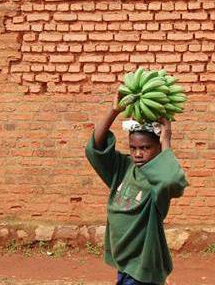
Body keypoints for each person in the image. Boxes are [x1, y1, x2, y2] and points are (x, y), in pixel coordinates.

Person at [85, 92, 189, 285]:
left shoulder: (158, 180)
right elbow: (95, 149)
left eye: (145, 148)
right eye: (133, 148)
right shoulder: (123, 167)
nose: (138, 154)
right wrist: (114, 111)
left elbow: (173, 180)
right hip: (123, 260)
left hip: (142, 264)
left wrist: (166, 139)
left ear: (158, 148)